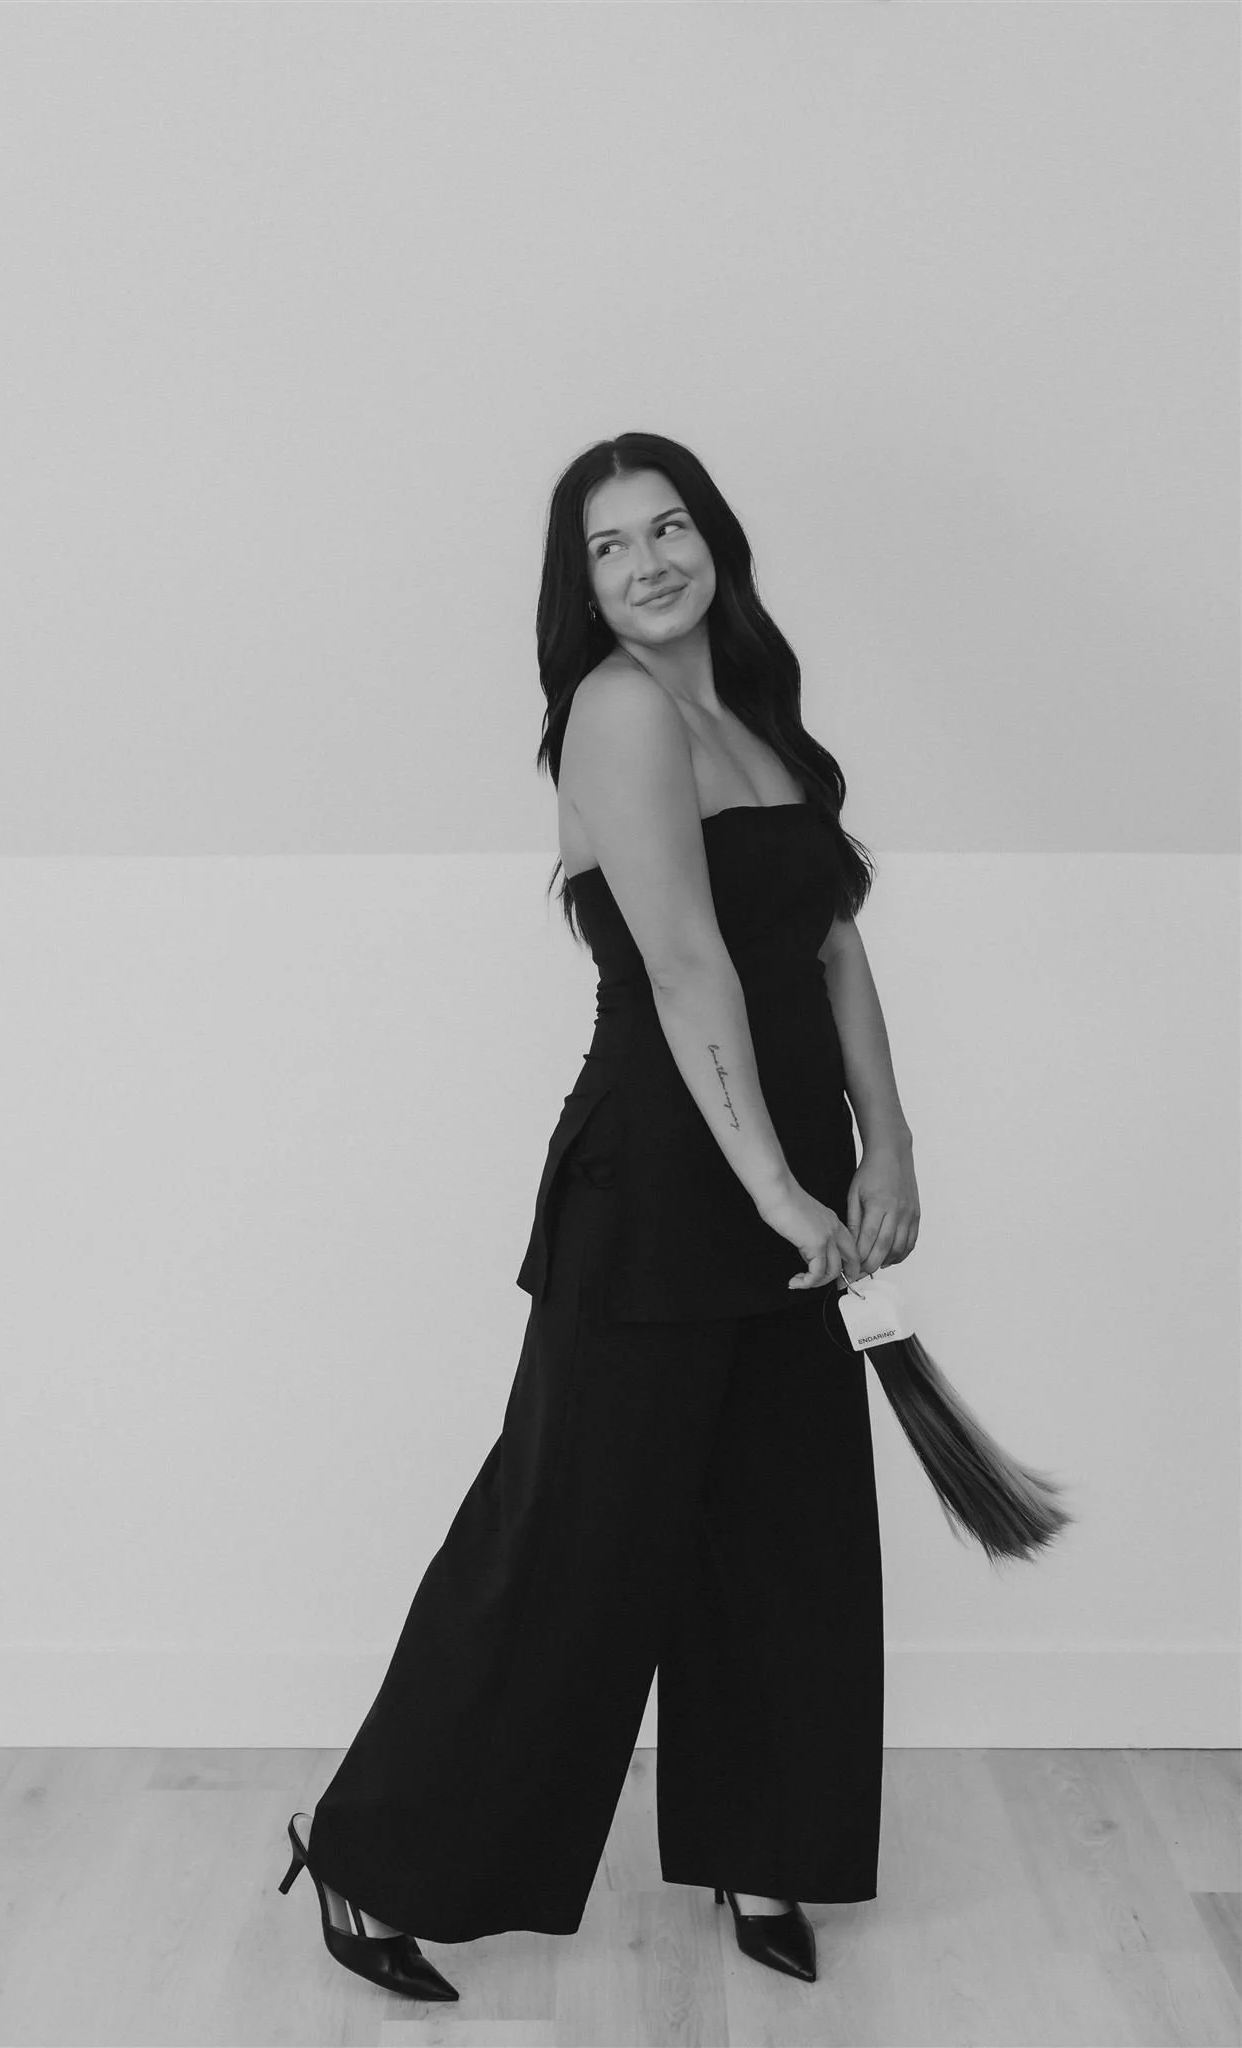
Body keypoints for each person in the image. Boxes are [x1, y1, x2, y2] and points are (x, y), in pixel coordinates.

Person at [278, 432, 921, 2004]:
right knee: (572, 1536)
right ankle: (366, 1855)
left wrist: (885, 1143)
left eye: (669, 527)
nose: (646, 563)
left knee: (788, 1525)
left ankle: (765, 1843)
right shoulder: (620, 713)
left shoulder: (754, 710)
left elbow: (827, 946)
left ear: (717, 542)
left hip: (792, 1160)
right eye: (608, 547)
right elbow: (690, 963)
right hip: (662, 1174)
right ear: (579, 589)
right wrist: (777, 1184)